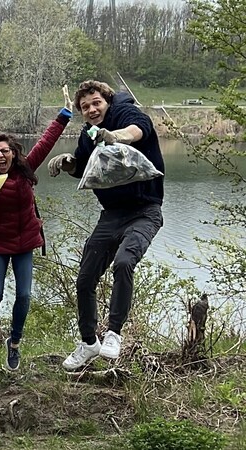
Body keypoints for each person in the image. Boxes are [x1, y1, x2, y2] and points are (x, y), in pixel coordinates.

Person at [47, 80, 164, 371]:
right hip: (111, 215)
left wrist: (116, 136)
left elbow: (139, 130)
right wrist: (67, 163)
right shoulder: (89, 135)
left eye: (96, 102)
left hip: (145, 211)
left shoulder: (125, 113)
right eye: (85, 107)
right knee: (85, 278)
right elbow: (83, 165)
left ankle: (113, 334)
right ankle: (89, 343)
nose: (91, 109)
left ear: (107, 101)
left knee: (124, 262)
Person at [0, 87, 73, 371]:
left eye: (5, 151)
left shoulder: (26, 169)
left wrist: (65, 114)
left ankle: (14, 343)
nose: (1, 155)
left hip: (25, 244)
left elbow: (46, 141)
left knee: (24, 296)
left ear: (13, 152)